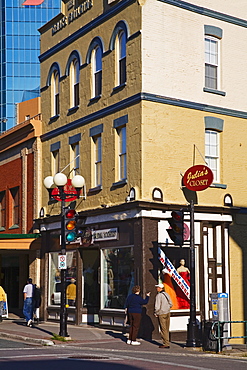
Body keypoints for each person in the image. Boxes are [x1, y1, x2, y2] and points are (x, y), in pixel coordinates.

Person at [154, 283, 173, 348]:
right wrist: (167, 308)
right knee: (167, 328)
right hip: (167, 312)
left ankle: (166, 343)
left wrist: (156, 312)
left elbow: (157, 306)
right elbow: (171, 304)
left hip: (161, 313)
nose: (156, 288)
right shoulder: (167, 294)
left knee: (163, 329)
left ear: (160, 288)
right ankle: (167, 340)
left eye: (157, 287)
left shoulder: (159, 296)